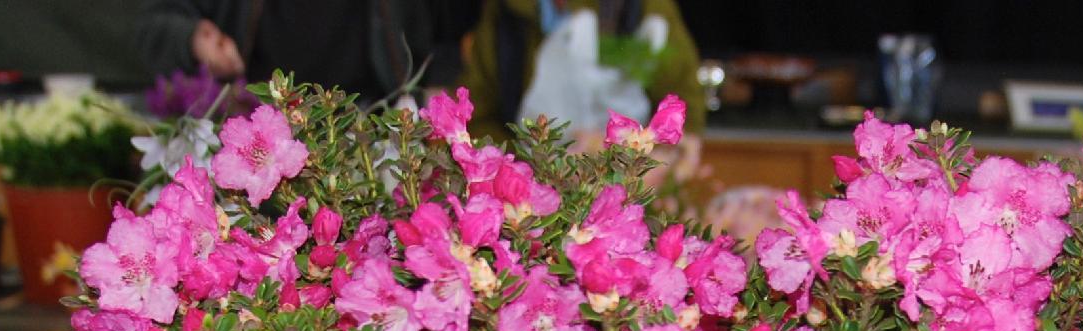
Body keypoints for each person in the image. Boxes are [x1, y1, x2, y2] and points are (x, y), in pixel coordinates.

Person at [461, 0, 704, 145]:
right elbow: (478, 116)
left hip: (626, 198)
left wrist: (648, 162)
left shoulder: (643, 7)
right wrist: (525, 168)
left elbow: (684, 110)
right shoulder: (507, 10)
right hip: (529, 208)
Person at [135, 0, 445, 102]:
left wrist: (444, 82)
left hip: (375, 133)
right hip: (255, 137)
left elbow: (453, 29)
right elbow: (153, 24)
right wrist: (193, 39)